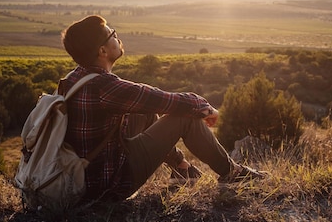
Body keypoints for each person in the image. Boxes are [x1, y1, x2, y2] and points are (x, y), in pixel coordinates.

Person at [59, 15, 266, 201]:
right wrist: (205, 107)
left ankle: (182, 169)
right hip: (109, 184)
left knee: (144, 112)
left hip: (85, 175)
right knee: (184, 117)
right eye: (112, 34)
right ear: (102, 51)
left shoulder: (73, 79)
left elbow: (146, 102)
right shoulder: (104, 86)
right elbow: (164, 99)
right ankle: (233, 173)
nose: (117, 38)